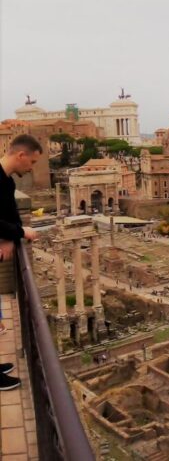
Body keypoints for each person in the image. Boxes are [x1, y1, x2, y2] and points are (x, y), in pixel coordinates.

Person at [0, 135, 43, 392]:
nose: (32, 168)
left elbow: (9, 211)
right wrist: (19, 233)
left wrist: (11, 233)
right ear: (21, 156)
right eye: (33, 161)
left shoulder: (5, 181)